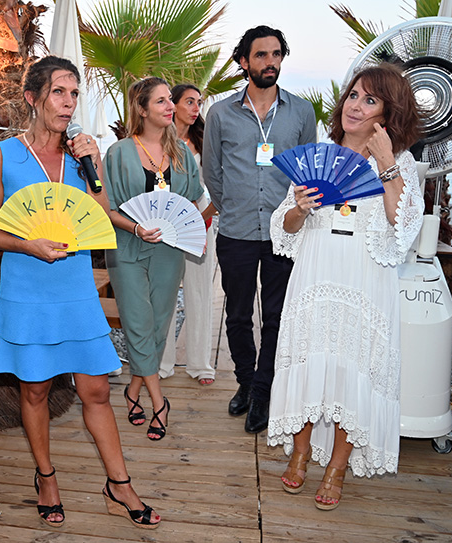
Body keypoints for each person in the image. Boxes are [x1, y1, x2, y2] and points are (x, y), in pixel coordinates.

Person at [0, 56, 161, 530]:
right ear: (32, 97)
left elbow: (99, 214)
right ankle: (46, 478)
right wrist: (29, 244)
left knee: (96, 390)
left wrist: (93, 163)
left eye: (75, 93)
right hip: (28, 288)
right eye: (59, 92)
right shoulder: (2, 155)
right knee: (35, 389)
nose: (68, 102)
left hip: (76, 289)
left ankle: (119, 484)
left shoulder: (82, 156)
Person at [268, 63, 423, 510]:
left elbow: (404, 227)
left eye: (370, 100)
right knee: (307, 358)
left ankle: (337, 466)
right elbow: (284, 228)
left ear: (388, 113)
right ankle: (299, 452)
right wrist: (300, 207)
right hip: (316, 274)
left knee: (353, 369)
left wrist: (387, 162)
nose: (355, 105)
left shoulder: (402, 163)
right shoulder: (318, 155)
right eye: (353, 95)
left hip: (365, 280)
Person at [204, 25, 316, 434]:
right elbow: (212, 173)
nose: (271, 62)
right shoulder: (220, 113)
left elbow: (307, 171)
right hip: (235, 230)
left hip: (285, 232)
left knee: (276, 316)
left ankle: (263, 391)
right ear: (244, 62)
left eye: (276, 54)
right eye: (261, 55)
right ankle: (245, 382)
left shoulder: (302, 112)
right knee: (236, 315)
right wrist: (233, 205)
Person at [104, 77, 204, 441]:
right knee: (136, 321)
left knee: (159, 324)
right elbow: (107, 208)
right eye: (161, 101)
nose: (170, 106)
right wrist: (135, 228)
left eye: (169, 100)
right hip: (126, 247)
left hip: (169, 250)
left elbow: (191, 201)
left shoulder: (182, 153)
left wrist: (184, 227)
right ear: (142, 109)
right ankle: (160, 402)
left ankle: (133, 390)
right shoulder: (118, 153)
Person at [159, 83, 217, 386]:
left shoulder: (207, 141)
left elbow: (219, 185)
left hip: (200, 219)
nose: (196, 108)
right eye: (189, 102)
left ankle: (200, 364)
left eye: (199, 103)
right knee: (164, 293)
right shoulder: (156, 140)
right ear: (173, 104)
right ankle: (163, 363)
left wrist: (203, 217)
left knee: (199, 292)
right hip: (165, 222)